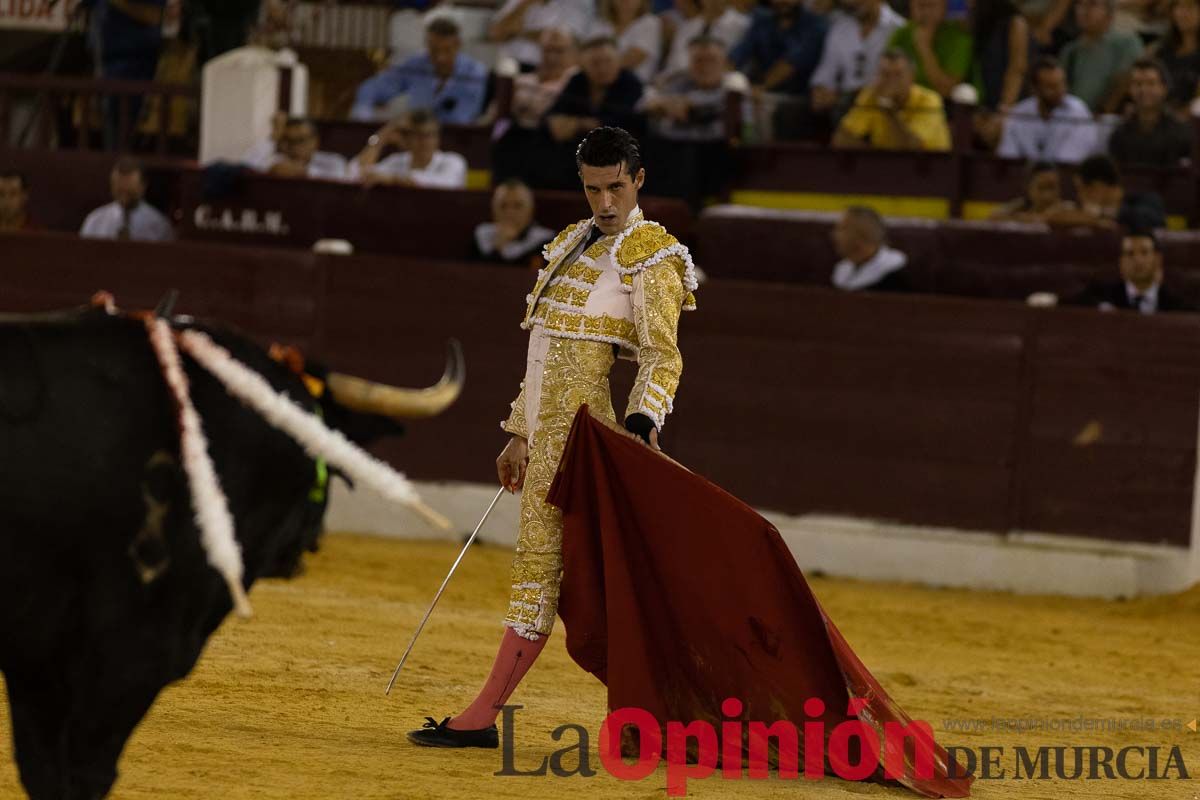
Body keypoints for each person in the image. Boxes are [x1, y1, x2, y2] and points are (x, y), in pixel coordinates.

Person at [407, 126, 698, 748]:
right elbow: (542, 354)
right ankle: (650, 716)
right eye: (593, 189)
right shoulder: (569, 243)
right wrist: (518, 433)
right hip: (546, 448)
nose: (605, 202)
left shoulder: (654, 256)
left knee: (579, 580)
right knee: (586, 582)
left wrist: (645, 424)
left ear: (639, 180)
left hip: (592, 450)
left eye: (616, 186)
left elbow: (661, 357)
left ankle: (490, 714)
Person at [641, 35, 735, 207]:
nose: (705, 66)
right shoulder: (679, 81)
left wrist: (681, 105)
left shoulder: (733, 84)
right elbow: (646, 105)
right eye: (698, 60)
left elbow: (700, 108)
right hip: (672, 154)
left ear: (725, 64)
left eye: (711, 60)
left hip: (716, 157)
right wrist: (671, 105)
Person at [350, 17, 489, 125]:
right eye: (434, 50)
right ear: (427, 45)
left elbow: (461, 118)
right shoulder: (416, 65)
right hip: (412, 139)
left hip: (456, 141)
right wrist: (364, 115)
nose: (440, 58)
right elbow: (371, 88)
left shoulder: (475, 74)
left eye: (447, 50)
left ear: (458, 45)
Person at [832, 49, 952, 150]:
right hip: (887, 168)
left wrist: (889, 111)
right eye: (885, 74)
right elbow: (841, 140)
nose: (891, 81)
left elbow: (912, 148)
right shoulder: (871, 95)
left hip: (929, 169)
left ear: (912, 76)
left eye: (898, 75)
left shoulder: (930, 100)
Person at [809, 0, 907, 120]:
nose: (853, 2)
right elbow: (826, 72)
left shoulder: (900, 29)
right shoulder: (840, 28)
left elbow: (902, 81)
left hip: (883, 105)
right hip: (844, 106)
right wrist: (821, 90)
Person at [997, 56, 1096, 163]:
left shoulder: (1078, 112)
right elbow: (1008, 155)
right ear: (1034, 89)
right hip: (1023, 176)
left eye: (1062, 84)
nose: (1060, 91)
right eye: (1051, 87)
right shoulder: (1019, 114)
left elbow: (1069, 161)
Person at [1067, 231, 1195, 312]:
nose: (1137, 260)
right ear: (1121, 262)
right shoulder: (1100, 296)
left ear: (1157, 260)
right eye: (1130, 254)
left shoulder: (1177, 305)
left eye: (1144, 253)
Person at [1059, 0, 1143, 113]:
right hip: (1073, 119)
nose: (1084, 11)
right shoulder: (1070, 50)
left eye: (1092, 4)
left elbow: (1126, 79)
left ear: (1109, 13)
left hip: (1110, 119)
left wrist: (1103, 111)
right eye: (1080, 5)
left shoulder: (1126, 43)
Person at [731, 0, 830, 96]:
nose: (782, 1)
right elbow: (740, 52)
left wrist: (761, 86)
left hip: (799, 99)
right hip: (763, 94)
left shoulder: (815, 25)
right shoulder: (763, 21)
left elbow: (790, 64)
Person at [1108, 58, 1193, 167]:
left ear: (1164, 88)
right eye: (1138, 84)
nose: (1144, 89)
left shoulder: (1182, 133)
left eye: (1151, 83)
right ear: (1130, 89)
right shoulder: (1119, 134)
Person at [1045, 153, 1167, 229]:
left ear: (1098, 187)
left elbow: (1155, 219)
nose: (1079, 195)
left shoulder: (1146, 199)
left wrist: (1102, 213)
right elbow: (1053, 218)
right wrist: (1095, 220)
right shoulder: (1085, 209)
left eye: (1081, 189)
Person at [355, 109, 468, 189]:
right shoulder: (397, 161)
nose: (426, 142)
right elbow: (359, 173)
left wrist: (393, 180)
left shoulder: (453, 161)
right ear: (406, 139)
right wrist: (381, 138)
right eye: (418, 135)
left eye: (431, 135)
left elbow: (442, 184)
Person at [886, 0, 974, 98]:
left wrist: (925, 49)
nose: (926, 12)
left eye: (931, 5)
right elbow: (887, 77)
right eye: (920, 6)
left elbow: (946, 90)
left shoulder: (958, 37)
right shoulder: (902, 33)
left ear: (944, 6)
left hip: (943, 105)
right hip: (903, 101)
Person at [80, 158, 174, 242]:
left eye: (129, 191)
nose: (124, 195)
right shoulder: (95, 220)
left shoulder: (160, 225)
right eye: (119, 190)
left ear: (143, 186)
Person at [472, 179, 556, 266]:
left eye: (517, 206)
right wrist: (499, 244)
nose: (510, 213)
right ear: (493, 209)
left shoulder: (547, 243)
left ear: (531, 209)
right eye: (503, 206)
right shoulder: (481, 236)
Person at [489, 0, 594, 68]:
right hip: (511, 65)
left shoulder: (581, 3)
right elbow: (496, 33)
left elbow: (559, 39)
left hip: (552, 70)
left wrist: (516, 33)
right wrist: (525, 4)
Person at [661, 0, 750, 78]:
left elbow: (737, 63)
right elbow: (674, 63)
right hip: (680, 80)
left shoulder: (742, 25)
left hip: (720, 83)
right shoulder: (688, 26)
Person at [830, 206, 911, 291]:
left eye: (842, 229)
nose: (834, 236)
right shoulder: (842, 270)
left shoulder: (896, 276)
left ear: (863, 235)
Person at [586, 0, 663, 84]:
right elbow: (586, 55)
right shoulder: (600, 23)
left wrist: (598, 69)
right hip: (596, 84)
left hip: (634, 86)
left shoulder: (650, 23)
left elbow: (632, 60)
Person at [1151, 0, 1200, 112]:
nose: (1182, 13)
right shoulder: (1159, 49)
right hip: (1156, 114)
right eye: (1178, 6)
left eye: (1190, 7)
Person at [266, 119, 350, 181]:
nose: (295, 146)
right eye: (290, 141)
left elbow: (339, 178)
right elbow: (256, 165)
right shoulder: (278, 160)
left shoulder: (335, 161)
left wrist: (304, 171)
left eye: (301, 140)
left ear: (315, 141)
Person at [989, 161, 1073, 221]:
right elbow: (993, 216)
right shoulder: (1021, 206)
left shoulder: (1067, 208)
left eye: (1052, 187)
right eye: (1041, 188)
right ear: (1028, 188)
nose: (1047, 195)